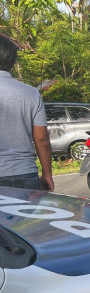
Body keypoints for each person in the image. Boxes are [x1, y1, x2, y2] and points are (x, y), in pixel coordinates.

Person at [0, 34, 54, 191]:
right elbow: (41, 139)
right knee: (25, 217)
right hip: (25, 173)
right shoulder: (30, 93)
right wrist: (47, 173)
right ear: (13, 62)